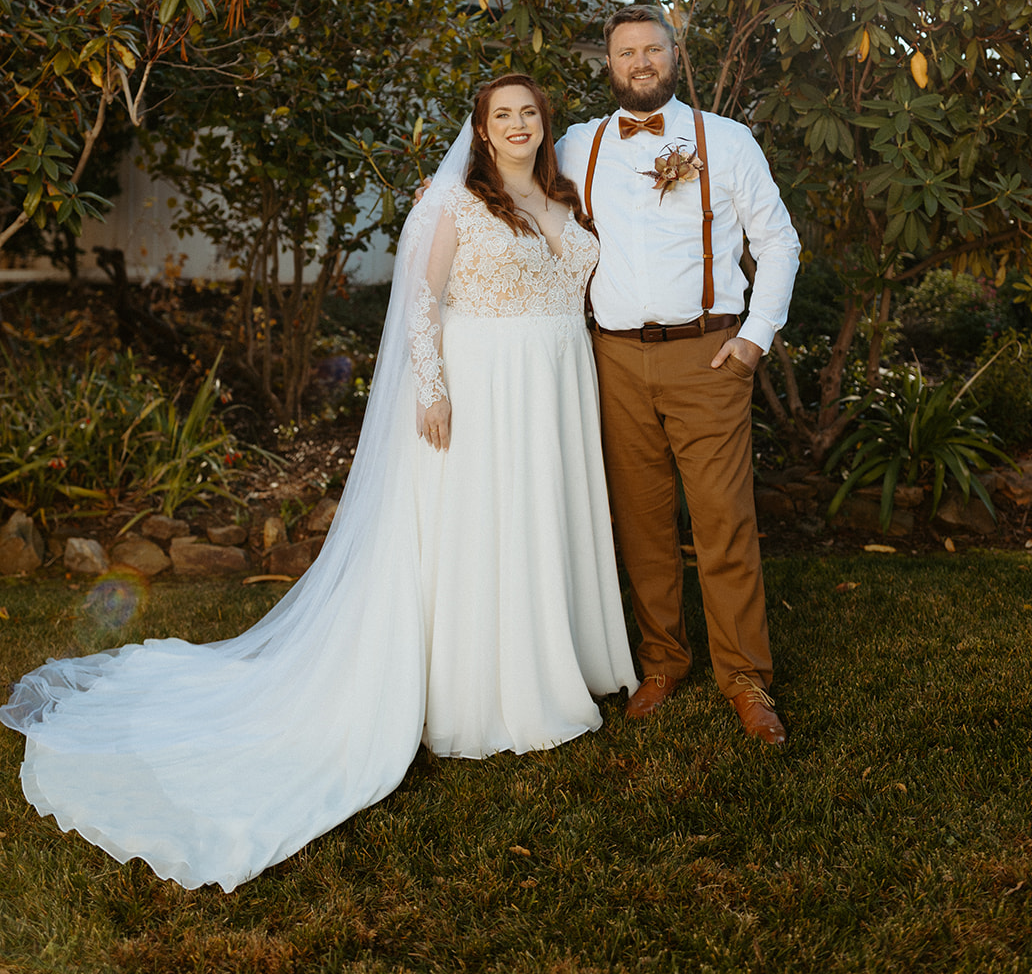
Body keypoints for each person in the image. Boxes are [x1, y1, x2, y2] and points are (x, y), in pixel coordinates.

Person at [0, 74, 636, 892]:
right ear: (479, 131)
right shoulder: (453, 202)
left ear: (546, 124)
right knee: (485, 527)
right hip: (487, 382)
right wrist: (433, 390)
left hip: (557, 379)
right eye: (500, 115)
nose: (517, 125)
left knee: (543, 520)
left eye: (528, 113)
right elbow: (419, 301)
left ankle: (560, 656)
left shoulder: (565, 193)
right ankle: (486, 689)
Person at [556, 5, 800, 745]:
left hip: (707, 354)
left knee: (723, 521)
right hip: (613, 358)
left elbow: (778, 242)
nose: (639, 62)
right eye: (625, 52)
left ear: (672, 55)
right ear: (610, 64)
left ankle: (743, 675)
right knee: (640, 521)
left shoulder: (725, 143)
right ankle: (662, 660)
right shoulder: (575, 146)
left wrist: (755, 338)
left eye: (651, 50)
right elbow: (510, 194)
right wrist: (441, 203)